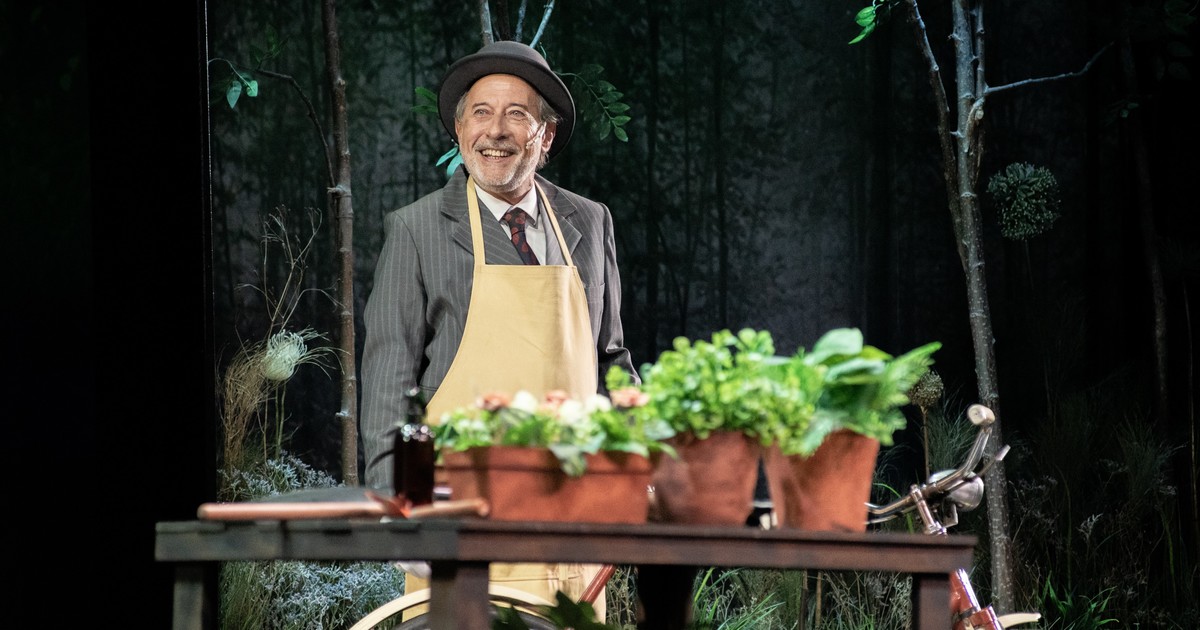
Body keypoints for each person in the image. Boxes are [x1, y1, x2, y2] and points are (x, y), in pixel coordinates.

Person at [359, 39, 638, 621]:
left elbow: (611, 361)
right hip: (456, 522)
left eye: (517, 114)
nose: (496, 130)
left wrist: (644, 462)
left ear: (546, 135)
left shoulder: (589, 221)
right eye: (481, 113)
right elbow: (388, 379)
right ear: (460, 132)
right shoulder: (417, 231)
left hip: (572, 520)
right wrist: (396, 507)